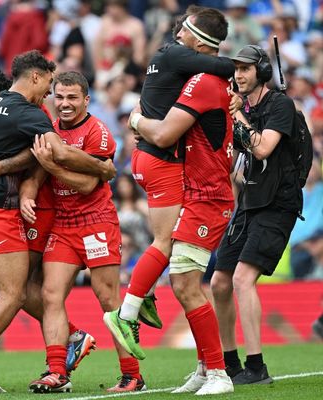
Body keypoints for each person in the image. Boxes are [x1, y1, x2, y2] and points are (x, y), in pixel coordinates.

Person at [0, 63, 111, 391]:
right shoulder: (10, 113)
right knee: (13, 291)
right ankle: (62, 346)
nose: (59, 100)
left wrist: (99, 168)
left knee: (21, 290)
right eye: (57, 93)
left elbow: (43, 159)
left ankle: (60, 360)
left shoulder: (25, 111)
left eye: (69, 95)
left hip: (32, 210)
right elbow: (36, 159)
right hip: (10, 207)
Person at [103, 5, 236, 361]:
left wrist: (136, 121)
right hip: (162, 159)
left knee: (174, 259)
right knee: (165, 242)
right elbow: (225, 66)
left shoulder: (172, 58)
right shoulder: (185, 61)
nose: (179, 32)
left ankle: (142, 301)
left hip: (149, 160)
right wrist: (138, 122)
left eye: (186, 29)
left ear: (200, 38)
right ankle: (128, 311)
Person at [20, 71, 141, 394]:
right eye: (59, 97)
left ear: (86, 100)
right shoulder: (48, 131)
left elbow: (89, 184)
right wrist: (27, 195)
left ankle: (132, 374)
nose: (65, 104)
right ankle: (57, 372)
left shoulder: (98, 133)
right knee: (50, 295)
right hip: (63, 225)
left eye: (72, 98)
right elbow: (34, 174)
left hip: (96, 222)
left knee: (107, 300)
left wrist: (53, 167)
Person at [210, 44, 302, 385]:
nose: (238, 75)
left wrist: (236, 115)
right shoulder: (244, 108)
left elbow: (262, 147)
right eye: (235, 69)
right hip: (248, 203)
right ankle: (230, 363)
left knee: (241, 279)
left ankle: (256, 367)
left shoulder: (281, 104)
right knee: (219, 282)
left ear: (262, 71)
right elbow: (237, 163)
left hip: (278, 204)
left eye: (245, 68)